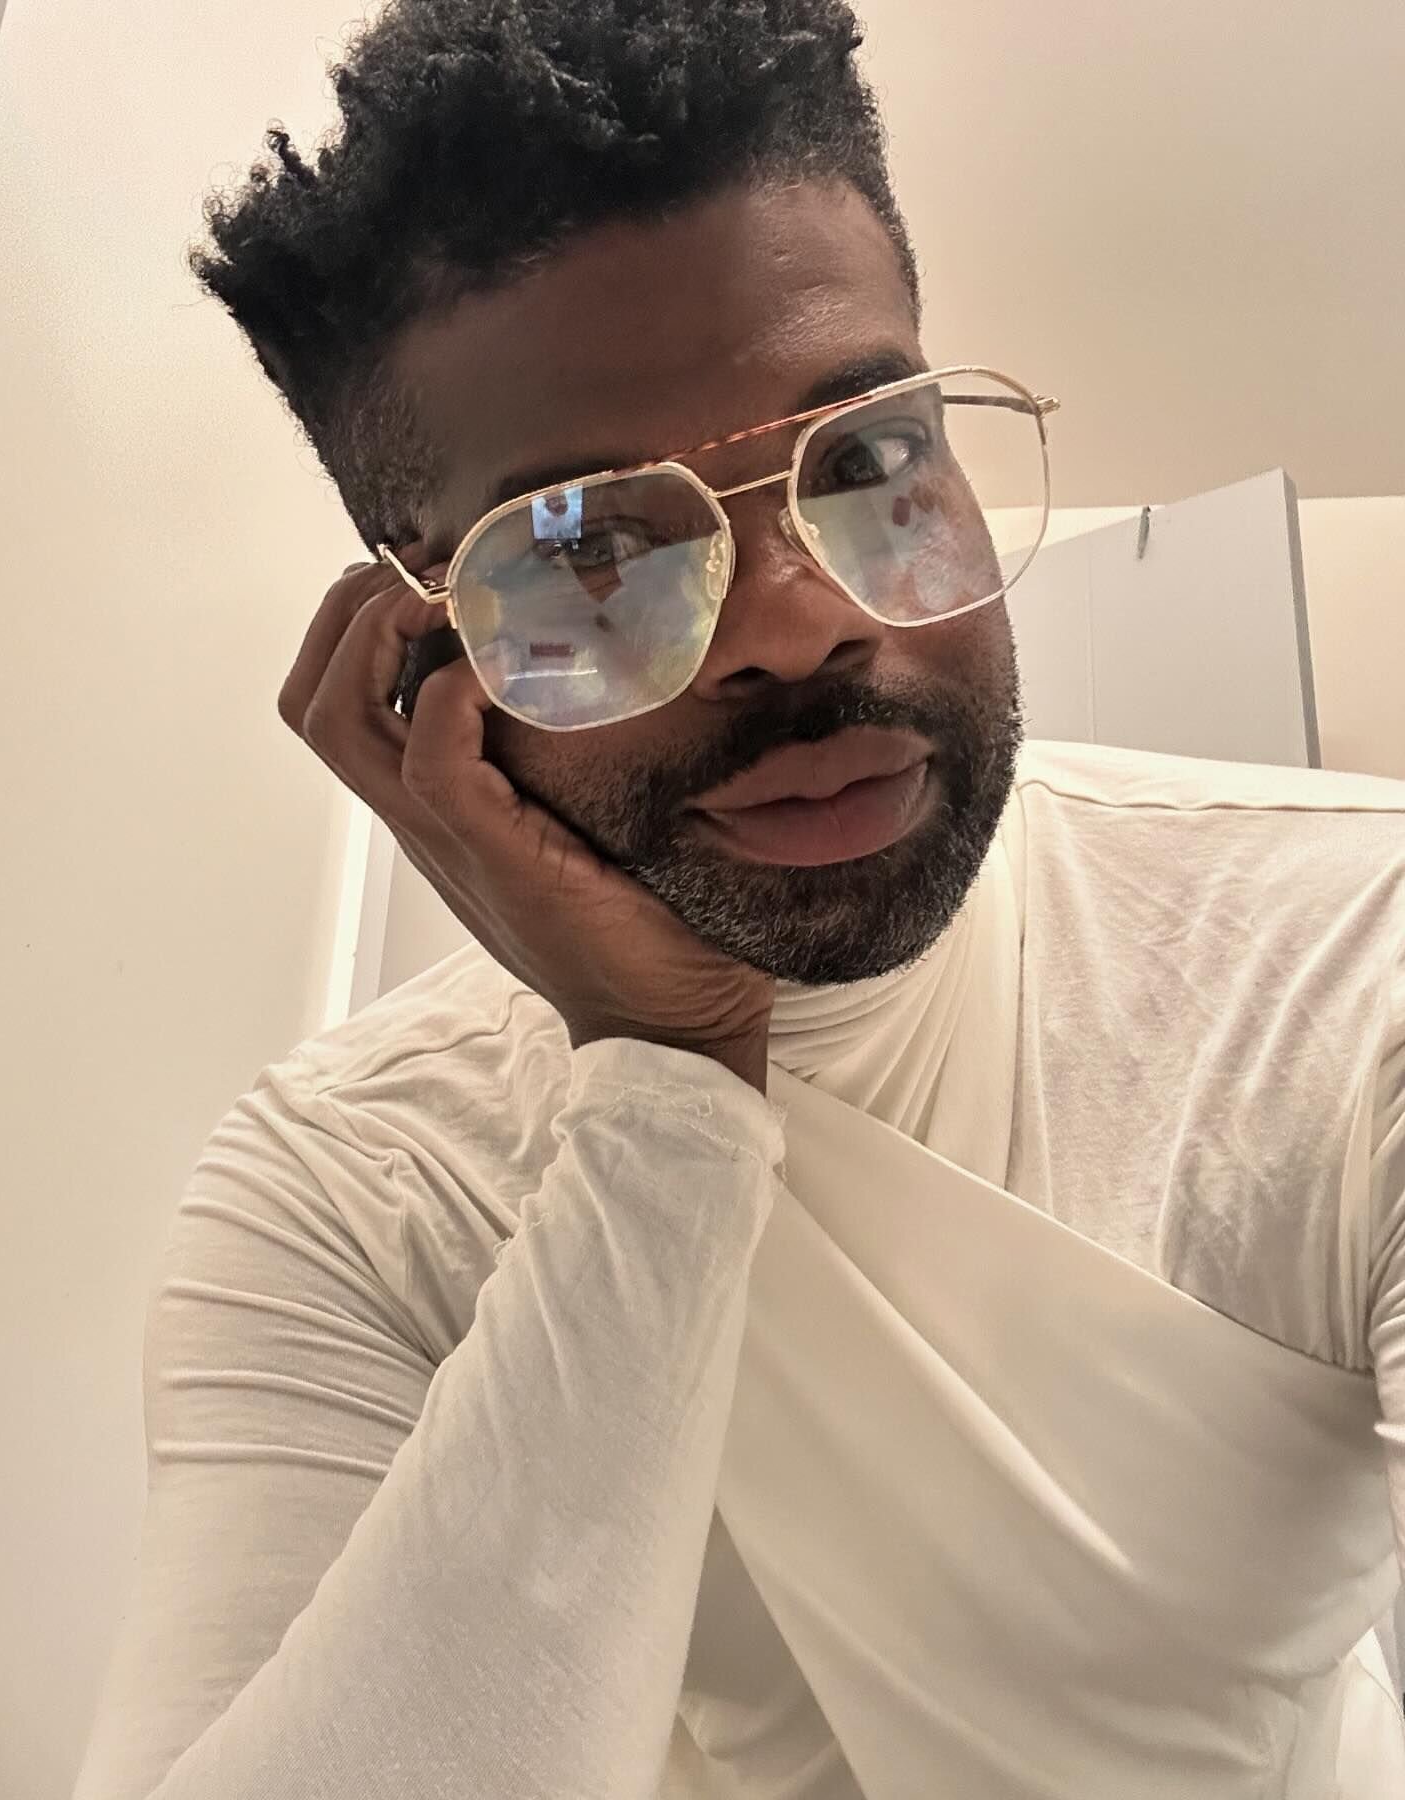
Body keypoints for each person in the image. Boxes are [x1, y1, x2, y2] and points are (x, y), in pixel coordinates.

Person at [72, 3, 1405, 1796]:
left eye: (866, 461)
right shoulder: (347, 1191)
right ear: (416, 655)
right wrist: (668, 1084)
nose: (800, 620)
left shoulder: (1348, 954)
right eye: (591, 548)